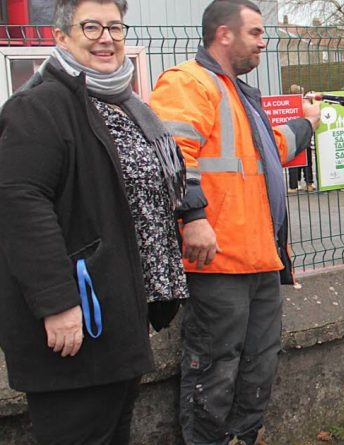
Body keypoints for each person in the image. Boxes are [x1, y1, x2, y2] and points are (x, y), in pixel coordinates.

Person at [0, 0, 188, 443]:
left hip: (119, 313)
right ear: (60, 37)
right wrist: (57, 304)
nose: (106, 38)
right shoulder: (39, 106)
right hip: (77, 320)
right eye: (91, 27)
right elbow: (19, 204)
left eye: (115, 28)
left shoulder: (123, 105)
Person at [149, 1, 320, 444]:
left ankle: (244, 437)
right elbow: (171, 155)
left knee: (259, 363)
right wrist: (193, 216)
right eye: (256, 33)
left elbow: (269, 151)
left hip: (259, 258)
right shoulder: (188, 82)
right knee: (215, 368)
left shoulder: (237, 94)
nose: (264, 42)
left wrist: (306, 123)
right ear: (224, 34)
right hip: (218, 260)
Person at [287, 83, 315, 192]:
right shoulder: (304, 104)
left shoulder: (288, 104)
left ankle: (293, 185)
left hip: (291, 135)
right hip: (304, 134)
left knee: (293, 162)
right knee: (307, 161)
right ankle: (309, 184)